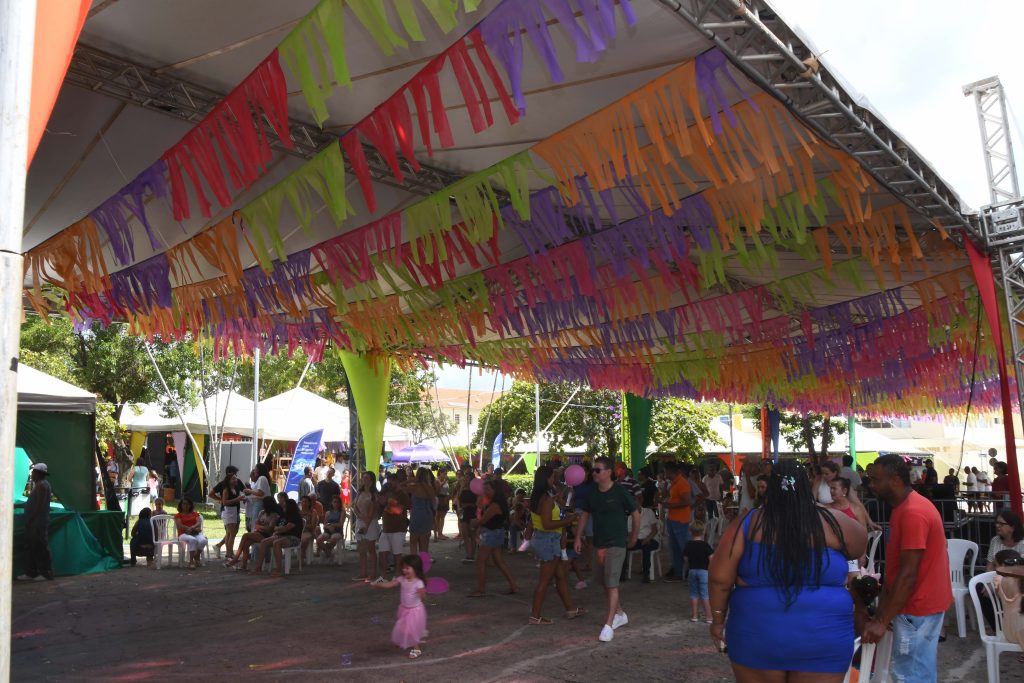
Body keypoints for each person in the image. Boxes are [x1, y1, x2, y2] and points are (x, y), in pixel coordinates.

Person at [708, 460, 867, 680]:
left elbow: (719, 579)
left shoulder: (747, 523)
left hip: (757, 637)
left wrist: (718, 621)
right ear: (806, 486)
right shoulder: (833, 522)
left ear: (771, 488)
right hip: (823, 639)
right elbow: (859, 546)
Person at [862, 454, 953, 682]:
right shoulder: (903, 507)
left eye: (875, 479)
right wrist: (882, 614)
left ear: (895, 480)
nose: (871, 485)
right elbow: (896, 569)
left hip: (917, 608)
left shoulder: (913, 512)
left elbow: (908, 574)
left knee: (911, 675)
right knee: (914, 672)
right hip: (915, 607)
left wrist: (882, 621)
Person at [576, 455, 640, 642]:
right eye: (593, 470)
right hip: (599, 543)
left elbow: (635, 513)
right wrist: (578, 536)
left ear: (609, 472)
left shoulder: (620, 492)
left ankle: (609, 624)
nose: (594, 473)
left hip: (617, 543)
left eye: (597, 470)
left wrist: (633, 536)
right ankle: (620, 613)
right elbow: (585, 514)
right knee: (604, 581)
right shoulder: (592, 493)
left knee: (611, 583)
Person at [529, 465, 583, 625]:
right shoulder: (545, 498)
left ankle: (571, 609)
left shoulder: (540, 496)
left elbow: (549, 515)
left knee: (560, 575)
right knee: (544, 580)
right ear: (546, 479)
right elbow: (547, 524)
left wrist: (560, 503)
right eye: (553, 477)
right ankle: (535, 616)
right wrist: (569, 520)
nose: (555, 479)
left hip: (546, 539)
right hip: (548, 540)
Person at [371, 553, 428, 659]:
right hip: (404, 608)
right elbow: (390, 584)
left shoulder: (418, 582)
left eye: (407, 568)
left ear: (415, 569)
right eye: (403, 568)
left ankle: (416, 649)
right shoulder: (402, 579)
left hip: (415, 611)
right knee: (402, 627)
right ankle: (403, 640)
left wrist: (422, 593)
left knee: (411, 630)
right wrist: (378, 584)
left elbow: (423, 596)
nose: (404, 570)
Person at [469, 480, 517, 597]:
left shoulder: (495, 505)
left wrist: (474, 523)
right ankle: (513, 585)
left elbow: (482, 520)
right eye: (484, 489)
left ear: (496, 490)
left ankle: (481, 589)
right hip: (496, 533)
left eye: (488, 489)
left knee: (481, 561)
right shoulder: (495, 502)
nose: (485, 492)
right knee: (499, 561)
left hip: (491, 534)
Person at [17, 462, 54, 581]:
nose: (31, 474)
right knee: (30, 546)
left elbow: (40, 504)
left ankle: (46, 573)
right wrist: (17, 505)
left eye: (33, 472)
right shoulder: (38, 485)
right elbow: (32, 502)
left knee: (40, 547)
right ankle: (31, 572)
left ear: (38, 473)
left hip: (38, 523)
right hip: (33, 522)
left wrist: (33, 518)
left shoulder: (42, 485)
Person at [253, 498, 303, 577]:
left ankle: (278, 570)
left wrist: (278, 529)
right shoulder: (283, 515)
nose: (283, 507)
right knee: (264, 542)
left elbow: (286, 528)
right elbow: (276, 527)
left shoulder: (295, 516)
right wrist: (278, 529)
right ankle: (258, 568)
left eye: (285, 506)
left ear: (290, 507)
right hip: (281, 535)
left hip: (294, 538)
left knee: (277, 543)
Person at [378, 470, 410, 582]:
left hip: (398, 528)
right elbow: (380, 503)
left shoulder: (402, 494)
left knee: (397, 554)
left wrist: (389, 503)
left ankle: (397, 575)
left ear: (397, 482)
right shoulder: (388, 492)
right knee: (382, 552)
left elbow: (399, 510)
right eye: (389, 482)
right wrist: (382, 497)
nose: (390, 484)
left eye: (392, 482)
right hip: (386, 528)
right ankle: (383, 576)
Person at [663, 461, 692, 583]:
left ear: (670, 471)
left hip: (680, 520)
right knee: (675, 548)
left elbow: (687, 501)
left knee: (684, 548)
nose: (664, 474)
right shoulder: (673, 483)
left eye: (665, 472)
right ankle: (678, 573)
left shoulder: (682, 483)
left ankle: (692, 573)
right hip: (672, 519)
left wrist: (670, 506)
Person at [622, 488, 659, 584]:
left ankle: (646, 574)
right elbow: (630, 534)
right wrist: (630, 541)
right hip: (637, 540)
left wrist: (647, 538)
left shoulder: (648, 512)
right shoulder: (630, 517)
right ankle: (622, 575)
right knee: (622, 547)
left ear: (640, 502)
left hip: (651, 538)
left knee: (646, 546)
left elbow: (654, 530)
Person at [992, 550, 1024, 655]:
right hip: (1016, 629)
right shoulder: (1005, 581)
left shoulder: (1003, 580)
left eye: (996, 565)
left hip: (1013, 628)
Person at [352, 471, 381, 583]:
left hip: (371, 523)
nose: (364, 479)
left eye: (367, 478)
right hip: (360, 521)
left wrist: (366, 524)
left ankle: (373, 573)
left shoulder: (374, 494)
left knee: (371, 549)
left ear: (371, 480)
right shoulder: (360, 492)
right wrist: (360, 517)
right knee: (362, 549)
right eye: (363, 477)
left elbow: (373, 511)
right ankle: (363, 572)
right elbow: (355, 506)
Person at [684, 520, 713, 622]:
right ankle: (709, 617)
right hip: (704, 572)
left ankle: (694, 616)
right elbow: (712, 558)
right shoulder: (705, 545)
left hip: (692, 571)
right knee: (705, 595)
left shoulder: (688, 544)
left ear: (690, 531)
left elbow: (685, 558)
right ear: (703, 532)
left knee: (693, 594)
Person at [212, 468, 245, 559]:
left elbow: (244, 491)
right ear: (229, 480)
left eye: (236, 478)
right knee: (232, 533)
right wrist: (237, 499)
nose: (236, 480)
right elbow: (225, 502)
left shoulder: (234, 488)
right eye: (233, 478)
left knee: (230, 534)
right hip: (228, 512)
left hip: (234, 511)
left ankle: (229, 553)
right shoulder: (226, 490)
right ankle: (230, 553)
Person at [406, 468, 437, 557]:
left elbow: (400, 486)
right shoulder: (430, 487)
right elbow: (434, 502)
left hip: (416, 514)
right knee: (425, 544)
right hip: (427, 514)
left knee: (413, 541)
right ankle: (424, 564)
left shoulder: (414, 487)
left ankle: (414, 562)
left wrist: (410, 480)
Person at [174, 497, 208, 569]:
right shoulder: (178, 515)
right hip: (183, 534)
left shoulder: (195, 514)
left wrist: (192, 528)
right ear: (181, 505)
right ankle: (191, 562)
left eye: (188, 504)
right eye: (184, 504)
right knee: (193, 540)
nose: (186, 506)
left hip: (195, 532)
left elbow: (199, 522)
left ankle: (196, 555)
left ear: (190, 505)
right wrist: (188, 528)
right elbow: (179, 525)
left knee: (204, 540)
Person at [243, 463, 272, 533]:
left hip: (259, 503)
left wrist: (249, 491)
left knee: (255, 523)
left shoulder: (262, 478)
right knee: (254, 522)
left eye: (255, 469)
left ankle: (255, 537)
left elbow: (260, 493)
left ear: (259, 470)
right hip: (256, 503)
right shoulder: (260, 479)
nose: (254, 471)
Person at [317, 495, 345, 562]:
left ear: (340, 503)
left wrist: (332, 525)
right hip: (328, 531)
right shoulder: (328, 513)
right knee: (319, 539)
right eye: (334, 502)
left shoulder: (342, 512)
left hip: (338, 531)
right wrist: (329, 527)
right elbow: (324, 525)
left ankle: (327, 552)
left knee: (333, 538)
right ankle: (329, 553)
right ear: (332, 503)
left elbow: (341, 524)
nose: (336, 504)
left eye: (337, 502)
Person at [458, 473, 479, 563]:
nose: (466, 479)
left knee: (472, 534)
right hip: (464, 512)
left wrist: (469, 505)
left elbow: (478, 502)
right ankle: (468, 554)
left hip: (472, 512)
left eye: (468, 478)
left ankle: (472, 555)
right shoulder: (463, 487)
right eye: (465, 477)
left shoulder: (475, 489)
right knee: (465, 534)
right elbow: (459, 498)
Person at [434, 470, 450, 541]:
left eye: (446, 473)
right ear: (440, 473)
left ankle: (441, 533)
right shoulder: (437, 480)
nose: (445, 475)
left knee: (443, 517)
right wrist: (444, 482)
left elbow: (447, 490)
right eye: (444, 473)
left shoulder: (446, 480)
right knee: (437, 517)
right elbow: (437, 490)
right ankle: (438, 533)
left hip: (445, 499)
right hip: (439, 499)